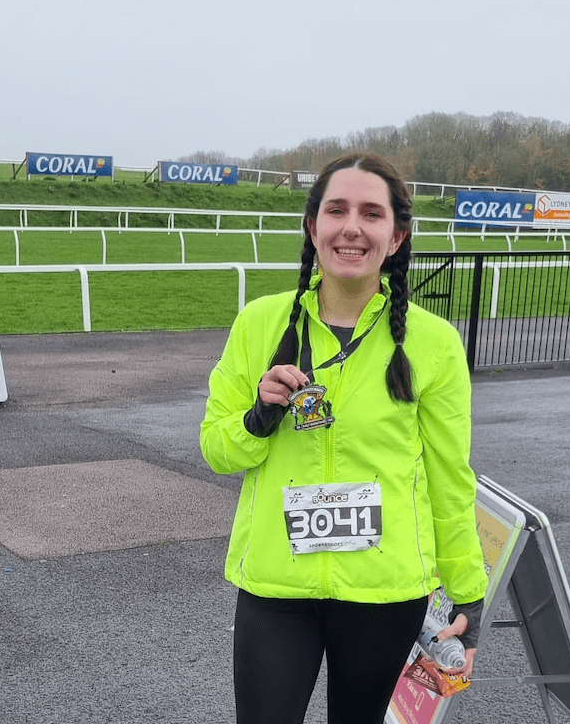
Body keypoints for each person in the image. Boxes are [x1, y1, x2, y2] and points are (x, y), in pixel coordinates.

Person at [199, 152, 487, 724]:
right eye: (336, 210)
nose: (352, 227)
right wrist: (258, 416)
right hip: (278, 586)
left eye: (371, 213)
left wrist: (467, 591)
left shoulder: (434, 343)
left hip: (385, 593)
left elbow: (449, 476)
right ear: (313, 227)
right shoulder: (259, 323)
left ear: (397, 235)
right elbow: (216, 448)